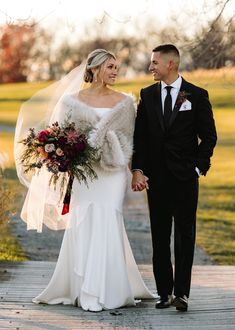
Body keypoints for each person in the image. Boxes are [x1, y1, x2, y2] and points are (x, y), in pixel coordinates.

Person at [14, 49, 156, 312]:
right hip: (84, 175)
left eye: (117, 67)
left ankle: (109, 290)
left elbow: (132, 142)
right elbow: (57, 135)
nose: (115, 71)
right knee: (85, 219)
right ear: (95, 69)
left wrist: (135, 170)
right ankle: (82, 287)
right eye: (111, 66)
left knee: (109, 217)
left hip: (112, 173)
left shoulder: (126, 103)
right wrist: (62, 155)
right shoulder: (70, 102)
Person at [131, 44, 217, 312]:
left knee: (185, 235)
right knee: (159, 237)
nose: (150, 67)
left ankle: (182, 293)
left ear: (170, 64)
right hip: (156, 180)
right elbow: (141, 138)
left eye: (154, 62)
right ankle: (164, 293)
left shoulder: (196, 95)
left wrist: (197, 167)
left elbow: (209, 136)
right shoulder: (147, 95)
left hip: (185, 179)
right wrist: (139, 169)